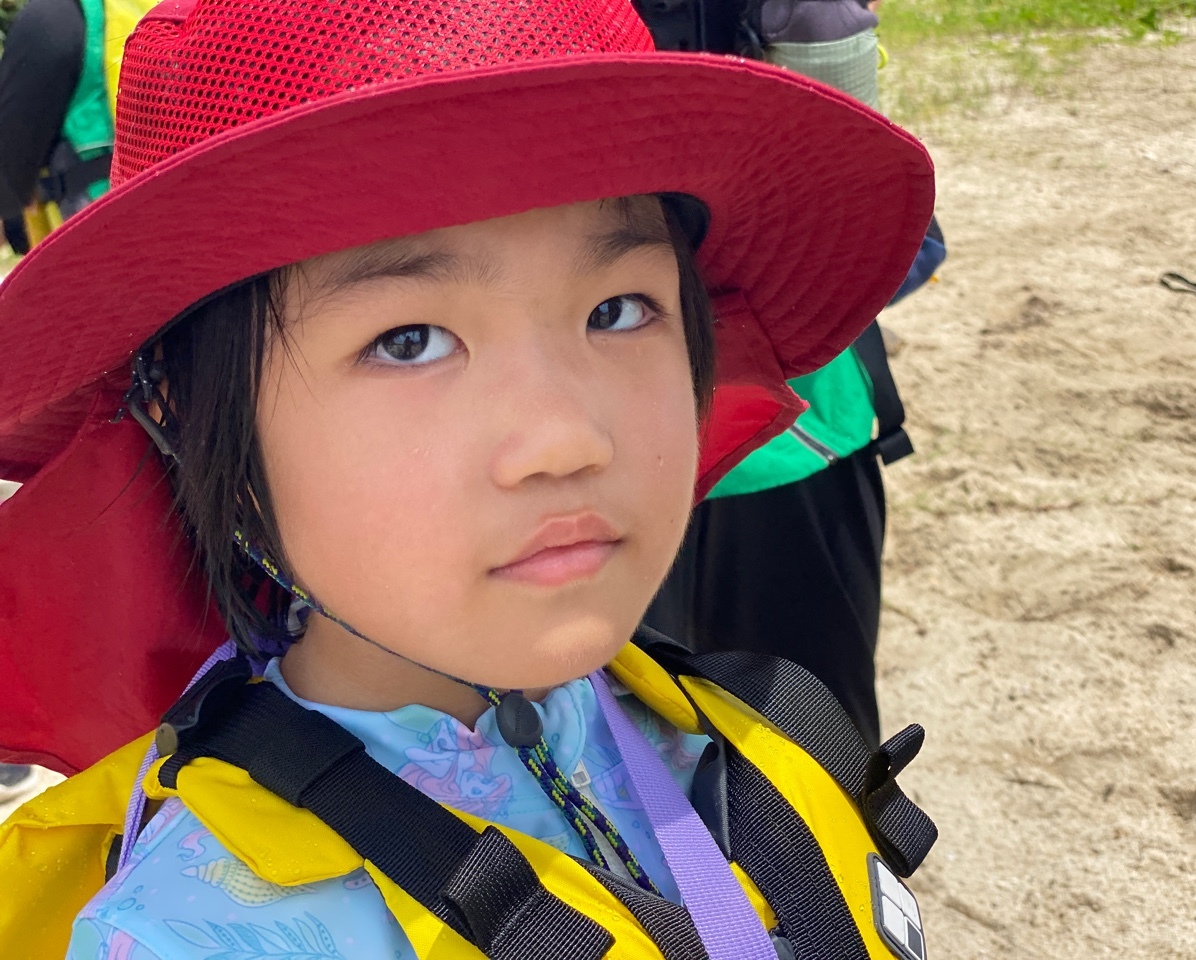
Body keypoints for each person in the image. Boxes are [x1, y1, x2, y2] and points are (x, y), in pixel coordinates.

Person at [0, 0, 938, 957]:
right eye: (410, 341)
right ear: (187, 418)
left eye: (618, 310)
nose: (566, 439)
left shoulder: (745, 735)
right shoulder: (199, 932)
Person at [644, 0, 943, 746]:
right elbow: (876, 227)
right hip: (783, 427)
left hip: (565, 435)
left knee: (623, 749)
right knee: (807, 747)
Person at [0, 0, 159, 252]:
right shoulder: (171, 8)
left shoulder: (50, 21)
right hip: (195, 240)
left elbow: (7, 183)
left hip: (102, 257)